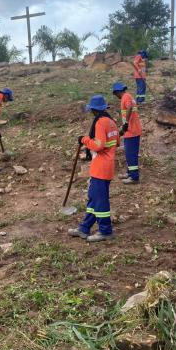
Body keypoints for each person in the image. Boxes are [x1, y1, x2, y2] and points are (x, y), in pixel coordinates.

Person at [68, 95, 120, 242]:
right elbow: (115, 142)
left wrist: (84, 139)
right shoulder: (111, 122)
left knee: (100, 200)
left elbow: (98, 145)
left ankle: (105, 230)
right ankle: (84, 227)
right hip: (107, 166)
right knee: (94, 197)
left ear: (93, 110)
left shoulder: (100, 123)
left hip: (100, 168)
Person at [112, 82, 142, 184]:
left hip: (132, 131)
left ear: (117, 91)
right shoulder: (128, 96)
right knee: (129, 154)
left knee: (131, 155)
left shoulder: (126, 97)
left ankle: (134, 177)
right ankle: (130, 173)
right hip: (130, 131)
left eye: (115, 93)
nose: (115, 96)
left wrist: (126, 123)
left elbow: (129, 108)